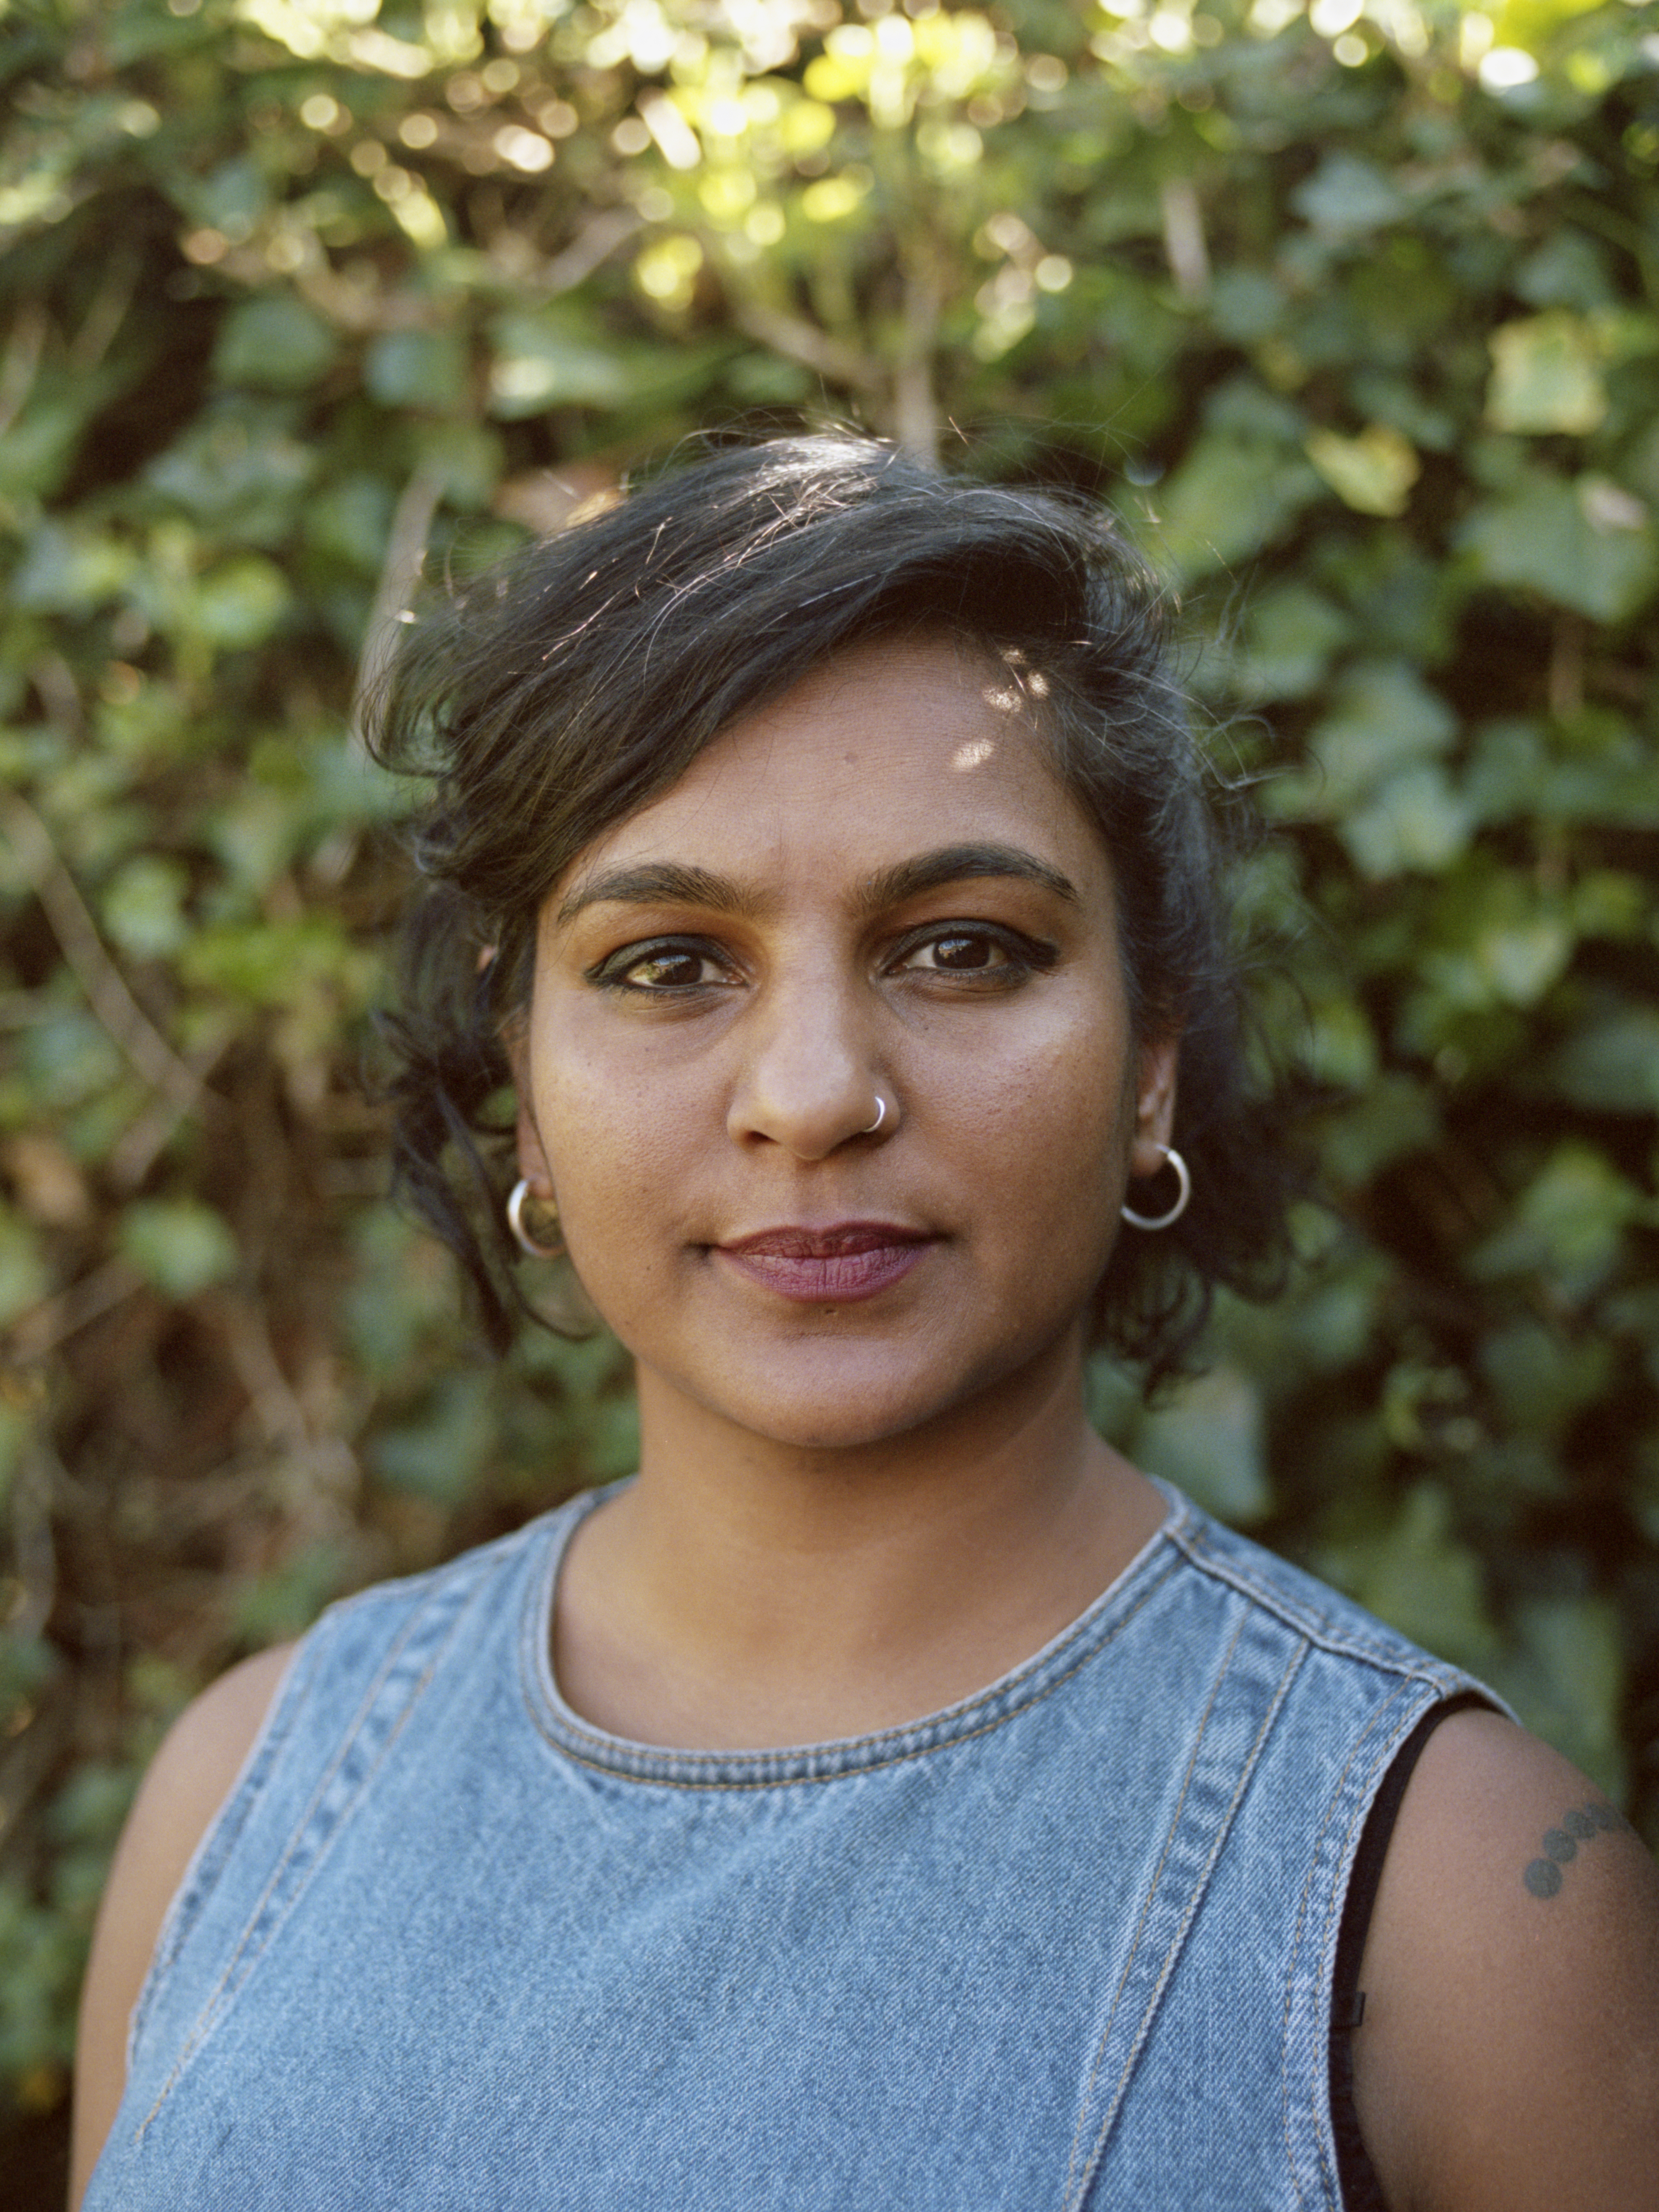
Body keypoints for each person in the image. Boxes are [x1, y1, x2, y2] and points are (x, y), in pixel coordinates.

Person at [72, 436, 1658, 2210]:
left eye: (963, 946)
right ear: (522, 1088)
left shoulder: (1453, 1903)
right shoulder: (245, 1796)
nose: (813, 1094)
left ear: (1149, 1070)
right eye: (668, 961)